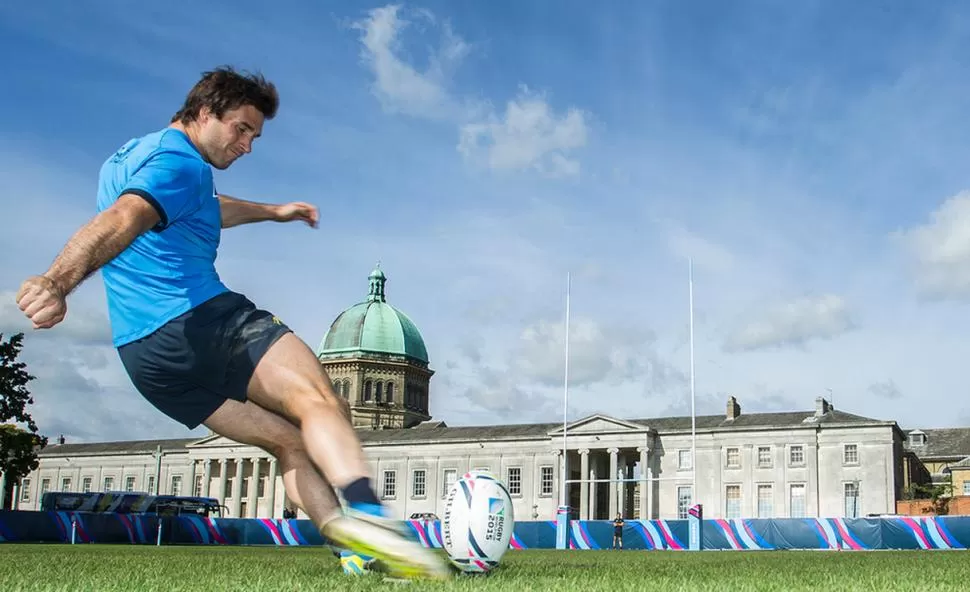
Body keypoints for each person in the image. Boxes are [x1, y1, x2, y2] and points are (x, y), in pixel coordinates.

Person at [15, 66, 449, 581]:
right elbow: (123, 219)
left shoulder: (131, 156)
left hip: (145, 358)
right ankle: (370, 514)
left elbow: (204, 209)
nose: (247, 145)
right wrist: (57, 281)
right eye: (241, 129)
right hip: (198, 317)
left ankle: (350, 551)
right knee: (319, 401)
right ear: (202, 113)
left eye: (254, 135)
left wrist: (274, 211)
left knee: (288, 441)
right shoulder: (182, 164)